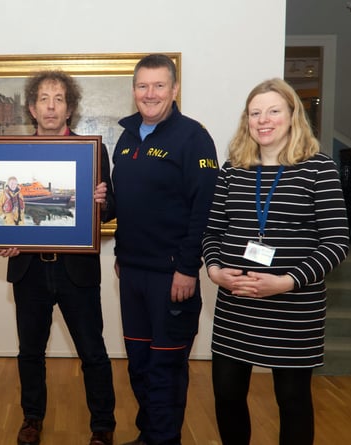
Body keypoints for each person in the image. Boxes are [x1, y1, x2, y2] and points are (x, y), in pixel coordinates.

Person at [0, 70, 116, 445]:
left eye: (60, 99)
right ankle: (31, 418)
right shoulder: (11, 152)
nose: (52, 106)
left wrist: (101, 201)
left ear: (70, 109)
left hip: (77, 272)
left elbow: (110, 207)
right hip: (29, 269)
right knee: (30, 352)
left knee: (93, 352)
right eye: (44, 100)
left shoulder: (93, 150)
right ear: (32, 109)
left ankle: (103, 425)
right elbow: (1, 212)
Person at [201, 78, 349, 445]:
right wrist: (216, 270)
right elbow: (211, 234)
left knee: (293, 400)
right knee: (227, 395)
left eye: (273, 111)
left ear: (292, 115)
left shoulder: (319, 169)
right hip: (236, 307)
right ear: (246, 120)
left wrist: (286, 281)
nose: (263, 120)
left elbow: (336, 243)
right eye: (255, 113)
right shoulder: (233, 170)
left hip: (294, 309)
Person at [111, 54, 219, 445]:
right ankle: (149, 437)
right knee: (139, 365)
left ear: (174, 90)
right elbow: (121, 205)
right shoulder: (125, 139)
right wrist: (97, 202)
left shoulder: (193, 138)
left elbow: (203, 209)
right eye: (143, 86)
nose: (150, 93)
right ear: (134, 90)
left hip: (173, 276)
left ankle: (164, 439)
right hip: (132, 273)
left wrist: (188, 268)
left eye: (159, 85)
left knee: (165, 367)